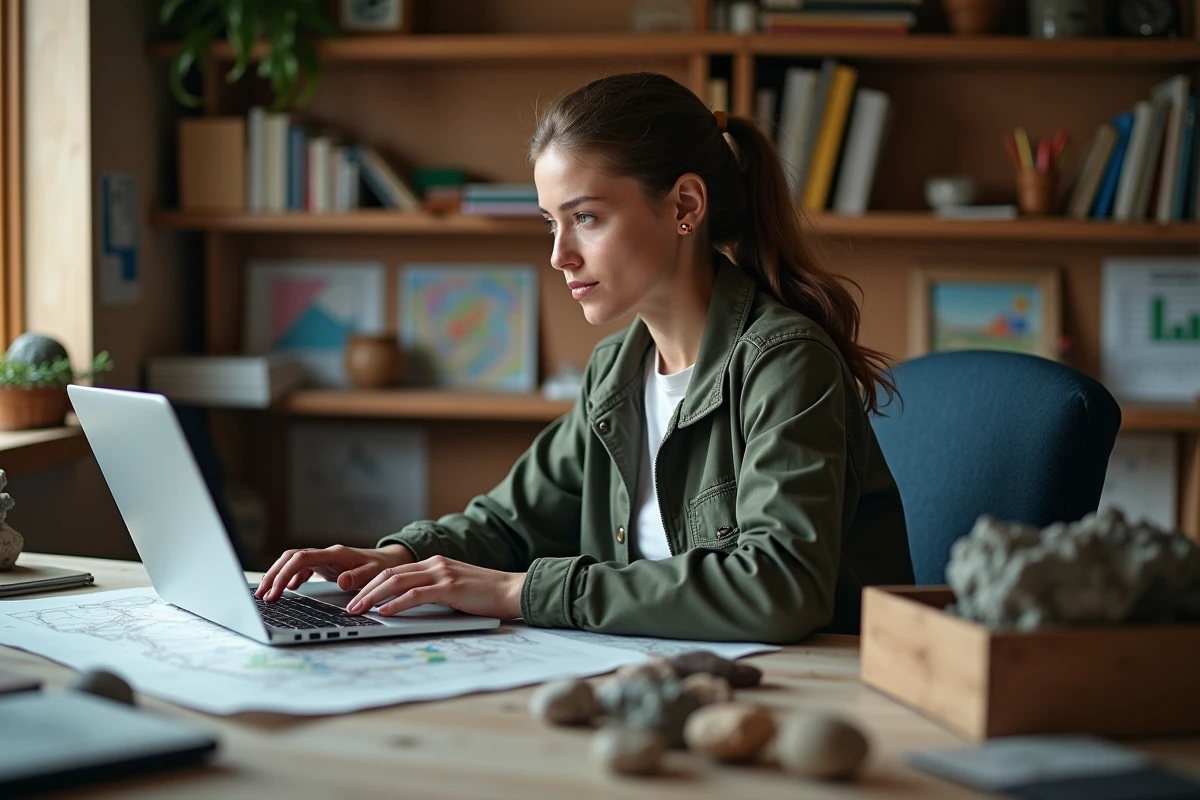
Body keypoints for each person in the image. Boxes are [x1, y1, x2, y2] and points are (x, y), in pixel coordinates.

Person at [256, 72, 914, 643]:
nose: (559, 255)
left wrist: (520, 593)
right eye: (552, 222)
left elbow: (777, 589)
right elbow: (513, 520)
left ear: (685, 206)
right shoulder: (616, 370)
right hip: (649, 670)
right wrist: (395, 554)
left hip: (802, 692)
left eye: (587, 218)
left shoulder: (785, 364)